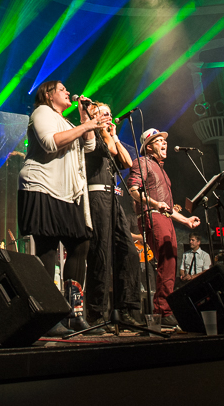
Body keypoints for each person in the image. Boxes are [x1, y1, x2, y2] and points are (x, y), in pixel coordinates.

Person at [18, 79, 107, 334]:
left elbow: (89, 145)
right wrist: (87, 125)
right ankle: (49, 317)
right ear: (48, 95)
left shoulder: (68, 122)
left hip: (68, 192)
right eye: (62, 89)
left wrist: (84, 120)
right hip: (42, 185)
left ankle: (73, 312)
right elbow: (50, 143)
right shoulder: (41, 112)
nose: (68, 91)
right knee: (46, 247)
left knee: (81, 243)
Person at [127, 128, 201, 327]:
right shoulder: (142, 162)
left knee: (170, 262)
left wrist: (185, 221)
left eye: (164, 141)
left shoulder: (161, 170)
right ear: (149, 146)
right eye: (159, 141)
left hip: (163, 217)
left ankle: (165, 309)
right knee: (167, 262)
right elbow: (133, 190)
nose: (164, 143)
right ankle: (162, 309)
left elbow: (166, 206)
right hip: (152, 217)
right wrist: (154, 204)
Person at [83, 102, 140, 328]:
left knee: (128, 251)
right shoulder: (91, 137)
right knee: (101, 254)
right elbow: (112, 152)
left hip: (114, 198)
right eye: (104, 114)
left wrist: (115, 135)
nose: (109, 117)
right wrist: (105, 131)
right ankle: (95, 313)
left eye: (110, 114)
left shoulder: (109, 138)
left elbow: (127, 162)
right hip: (97, 197)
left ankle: (125, 309)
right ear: (95, 116)